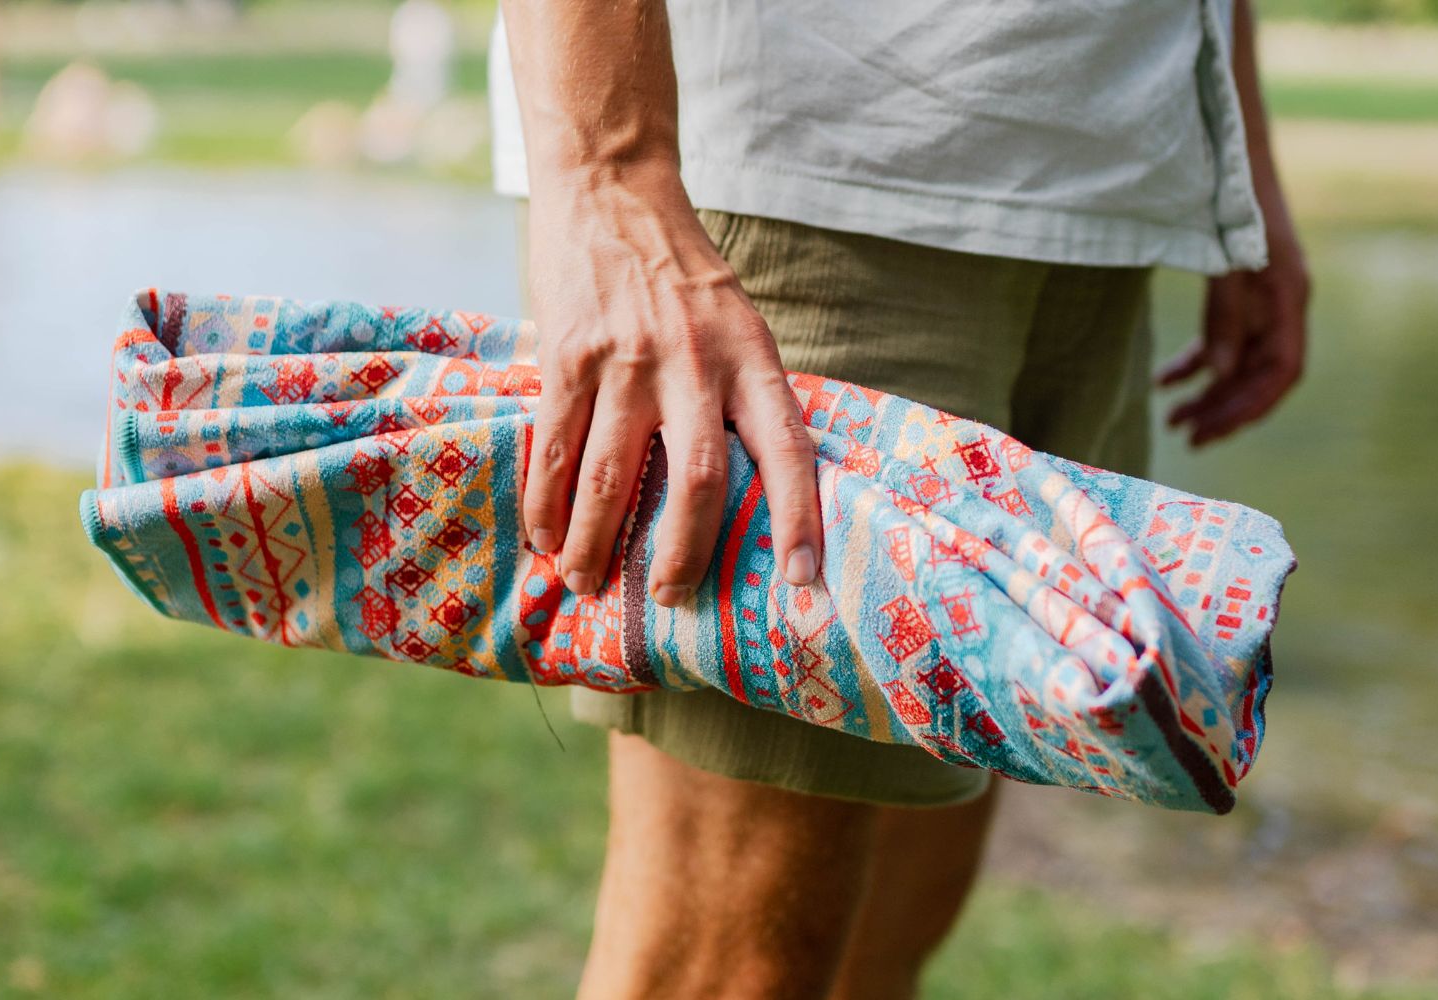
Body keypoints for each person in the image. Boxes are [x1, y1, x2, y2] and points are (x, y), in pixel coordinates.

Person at [490, 0, 1309, 996]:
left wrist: (1243, 174)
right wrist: (605, 177)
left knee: (890, 936)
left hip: (1100, 183)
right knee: (730, 968)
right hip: (810, 177)